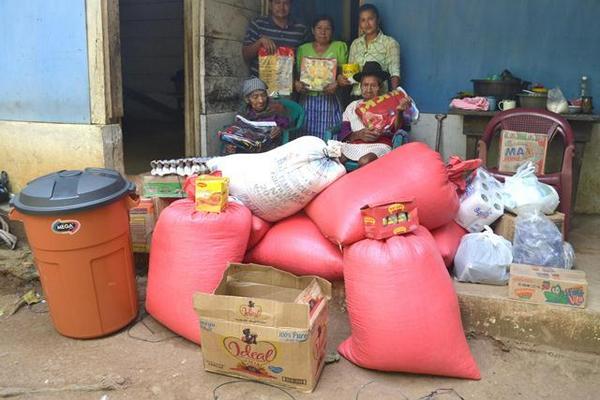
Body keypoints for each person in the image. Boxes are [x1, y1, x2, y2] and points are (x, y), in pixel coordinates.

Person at [338, 62, 411, 167]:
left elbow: (397, 128)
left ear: (379, 87)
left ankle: (364, 184)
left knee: (364, 161)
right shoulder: (353, 106)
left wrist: (399, 111)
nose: (368, 89)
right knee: (335, 158)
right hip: (355, 144)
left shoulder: (390, 103)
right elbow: (344, 132)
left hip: (379, 145)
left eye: (373, 85)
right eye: (365, 85)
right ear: (360, 86)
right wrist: (359, 134)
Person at [294, 15, 348, 139]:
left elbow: (344, 73)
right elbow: (298, 75)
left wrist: (338, 83)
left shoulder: (339, 47)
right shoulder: (303, 49)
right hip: (307, 99)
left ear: (332, 31)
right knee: (306, 137)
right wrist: (297, 84)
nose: (323, 32)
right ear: (313, 30)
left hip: (330, 100)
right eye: (319, 28)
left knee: (329, 137)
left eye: (327, 29)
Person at [338, 3, 401, 98]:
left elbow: (394, 73)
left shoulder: (390, 43)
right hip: (356, 96)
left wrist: (395, 97)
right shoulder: (355, 44)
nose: (367, 24)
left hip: (379, 98)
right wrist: (342, 79)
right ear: (359, 24)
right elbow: (351, 72)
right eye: (363, 20)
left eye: (370, 19)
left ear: (378, 20)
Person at [220, 78, 290, 155]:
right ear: (247, 100)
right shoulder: (244, 112)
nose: (261, 100)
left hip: (269, 150)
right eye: (255, 97)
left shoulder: (276, 107)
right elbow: (237, 133)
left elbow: (288, 123)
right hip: (247, 151)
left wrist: (279, 129)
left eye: (263, 95)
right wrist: (232, 145)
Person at [242, 0, 308, 77]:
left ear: (291, 5)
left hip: (288, 80)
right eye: (277, 3)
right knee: (257, 89)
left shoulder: (300, 29)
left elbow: (304, 61)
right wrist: (260, 42)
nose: (281, 7)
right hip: (258, 79)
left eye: (286, 3)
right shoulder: (258, 23)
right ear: (270, 5)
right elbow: (246, 55)